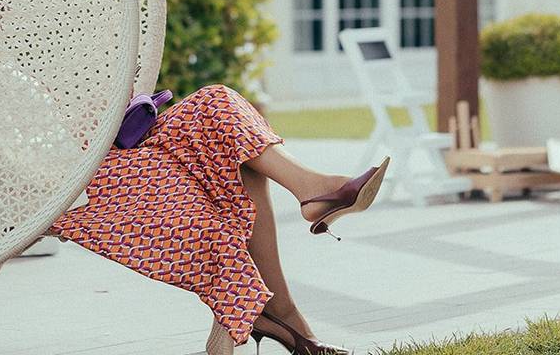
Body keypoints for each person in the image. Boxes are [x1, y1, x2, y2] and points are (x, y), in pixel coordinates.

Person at [51, 84, 390, 354]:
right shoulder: (7, 70)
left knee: (217, 102)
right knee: (236, 167)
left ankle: (312, 189)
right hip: (74, 173)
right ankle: (282, 312)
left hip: (123, 138)